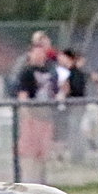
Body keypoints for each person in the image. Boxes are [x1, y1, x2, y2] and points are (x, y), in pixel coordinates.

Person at [16, 42, 59, 183]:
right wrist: (26, 114)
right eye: (36, 52)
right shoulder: (26, 71)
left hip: (46, 115)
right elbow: (23, 95)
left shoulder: (51, 71)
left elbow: (56, 90)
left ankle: (42, 180)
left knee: (43, 151)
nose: (39, 56)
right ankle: (29, 180)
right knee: (29, 151)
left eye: (42, 53)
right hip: (32, 114)